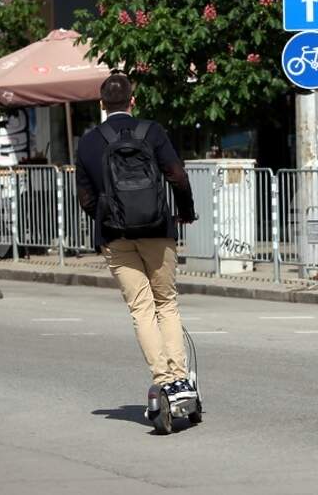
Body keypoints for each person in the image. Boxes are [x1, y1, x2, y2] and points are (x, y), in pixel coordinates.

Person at [76, 74, 197, 401]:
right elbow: (177, 176)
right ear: (133, 100)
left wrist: (108, 220)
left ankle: (163, 380)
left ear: (102, 105)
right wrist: (185, 211)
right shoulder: (152, 132)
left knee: (141, 309)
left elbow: (85, 198)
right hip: (158, 230)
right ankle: (180, 379)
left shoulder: (88, 142)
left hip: (116, 237)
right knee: (166, 304)